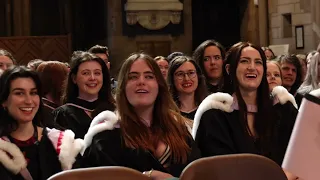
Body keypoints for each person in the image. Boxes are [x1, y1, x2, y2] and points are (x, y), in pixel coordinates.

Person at [81, 53, 201, 179]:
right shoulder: (105, 137)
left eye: (149, 76)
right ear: (123, 87)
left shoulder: (179, 129)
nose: (141, 82)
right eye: (133, 77)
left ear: (159, 85)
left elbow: (200, 174)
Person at [193, 42, 298, 176]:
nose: (252, 67)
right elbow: (218, 170)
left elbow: (303, 154)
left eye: (258, 62)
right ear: (229, 69)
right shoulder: (215, 114)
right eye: (244, 61)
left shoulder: (283, 108)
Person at [0, 66, 83, 179]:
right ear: (4, 101)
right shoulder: (2, 148)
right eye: (19, 93)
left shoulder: (62, 144)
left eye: (33, 93)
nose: (29, 101)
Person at [53, 51, 115, 138]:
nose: (92, 78)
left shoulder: (115, 110)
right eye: (86, 73)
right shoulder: (63, 115)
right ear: (74, 78)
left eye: (97, 73)